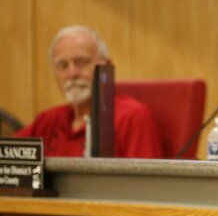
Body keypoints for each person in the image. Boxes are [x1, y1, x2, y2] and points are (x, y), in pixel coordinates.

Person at [17, 25, 164, 158]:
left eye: (81, 62)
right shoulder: (47, 121)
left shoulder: (132, 118)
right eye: (62, 66)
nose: (72, 74)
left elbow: (147, 185)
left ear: (106, 66)